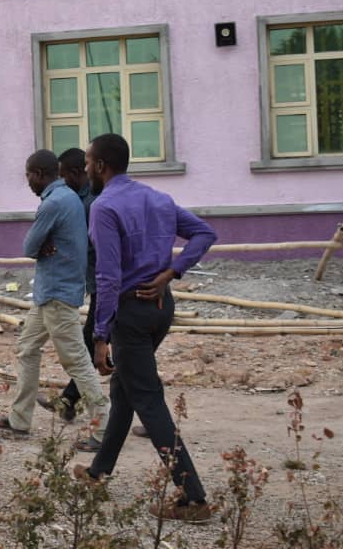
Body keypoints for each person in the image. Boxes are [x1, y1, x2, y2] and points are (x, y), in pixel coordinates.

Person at [74, 133, 216, 524]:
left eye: (88, 161)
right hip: (159, 309)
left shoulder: (103, 207)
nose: (85, 167)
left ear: (101, 165)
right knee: (126, 391)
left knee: (148, 398)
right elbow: (205, 233)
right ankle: (98, 471)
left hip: (130, 313)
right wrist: (172, 272)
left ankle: (193, 497)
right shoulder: (159, 199)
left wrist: (100, 335)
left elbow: (106, 275)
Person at [0, 150, 108, 451]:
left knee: (76, 360)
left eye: (29, 175)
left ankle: (104, 426)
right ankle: (20, 418)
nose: (28, 181)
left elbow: (29, 246)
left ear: (40, 174)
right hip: (49, 292)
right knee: (27, 348)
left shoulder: (54, 202)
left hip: (57, 293)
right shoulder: (69, 198)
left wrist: (43, 243)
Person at [36, 147, 99, 424]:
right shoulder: (77, 198)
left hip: (103, 280)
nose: (58, 183)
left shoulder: (88, 202)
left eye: (62, 176)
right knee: (88, 340)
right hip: (94, 280)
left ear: (75, 173)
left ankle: (95, 411)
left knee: (90, 343)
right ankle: (69, 400)